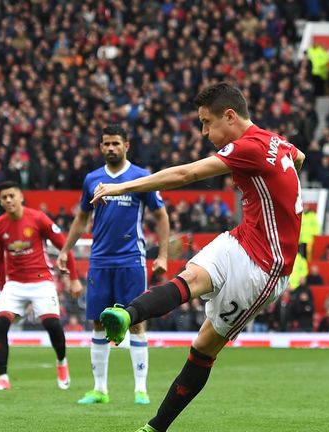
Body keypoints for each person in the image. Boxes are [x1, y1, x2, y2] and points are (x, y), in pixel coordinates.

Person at [90, 83, 304, 432]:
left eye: (207, 123)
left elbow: (186, 174)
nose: (205, 132)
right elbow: (298, 158)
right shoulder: (274, 140)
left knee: (205, 346)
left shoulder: (247, 146)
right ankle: (126, 315)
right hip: (242, 238)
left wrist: (121, 186)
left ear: (230, 116)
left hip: (265, 267)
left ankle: (156, 427)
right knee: (189, 279)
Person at [57, 125, 170, 406]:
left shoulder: (141, 177)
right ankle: (99, 389)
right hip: (99, 261)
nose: (110, 148)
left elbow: (161, 216)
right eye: (106, 144)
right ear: (100, 147)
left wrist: (164, 255)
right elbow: (82, 218)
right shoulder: (92, 179)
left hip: (131, 259)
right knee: (97, 322)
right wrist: (65, 249)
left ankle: (141, 390)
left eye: (115, 143)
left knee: (135, 322)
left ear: (126, 145)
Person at [0, 181, 83, 391]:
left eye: (12, 195)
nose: (8, 200)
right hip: (14, 284)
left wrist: (74, 278)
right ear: (0, 201)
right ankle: (3, 378)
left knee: (52, 325)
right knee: (1, 324)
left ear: (21, 196)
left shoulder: (38, 218)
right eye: (4, 197)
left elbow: (65, 247)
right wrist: (4, 287)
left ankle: (61, 362)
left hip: (41, 280)